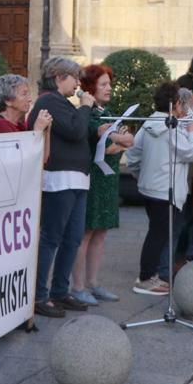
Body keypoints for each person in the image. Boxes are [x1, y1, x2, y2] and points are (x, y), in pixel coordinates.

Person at [26, 57, 95, 317]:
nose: (78, 83)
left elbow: (79, 131)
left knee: (73, 238)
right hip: (59, 179)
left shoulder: (63, 103)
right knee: (52, 237)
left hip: (76, 178)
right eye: (74, 77)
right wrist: (86, 107)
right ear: (58, 77)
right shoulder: (48, 101)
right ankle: (40, 295)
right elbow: (76, 130)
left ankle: (60, 290)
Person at [125, 82, 193, 295]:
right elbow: (191, 153)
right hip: (164, 190)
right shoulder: (171, 127)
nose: (183, 108)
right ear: (174, 104)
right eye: (180, 103)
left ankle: (151, 275)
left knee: (157, 233)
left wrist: (141, 175)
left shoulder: (149, 123)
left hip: (149, 188)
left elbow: (133, 154)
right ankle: (145, 278)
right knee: (158, 235)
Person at [70, 64, 128, 306]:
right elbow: (108, 141)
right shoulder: (89, 113)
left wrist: (114, 144)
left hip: (108, 178)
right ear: (90, 87)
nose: (109, 88)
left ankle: (93, 282)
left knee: (101, 232)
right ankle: (77, 286)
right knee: (85, 233)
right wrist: (115, 143)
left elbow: (129, 139)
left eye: (109, 84)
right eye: (103, 84)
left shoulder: (110, 111)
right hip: (93, 178)